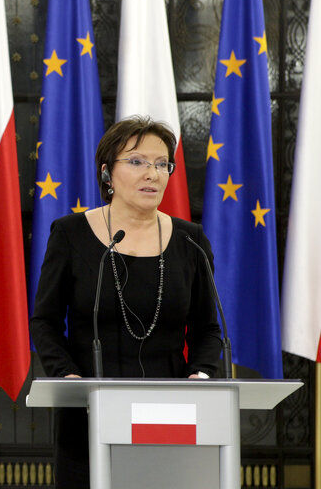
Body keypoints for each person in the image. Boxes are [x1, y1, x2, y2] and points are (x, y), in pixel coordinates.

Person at [29, 116, 222, 488]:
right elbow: (45, 321)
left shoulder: (190, 240)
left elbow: (208, 329)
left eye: (161, 163)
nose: (152, 173)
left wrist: (201, 374)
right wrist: (67, 377)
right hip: (89, 412)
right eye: (136, 162)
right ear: (107, 174)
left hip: (171, 416)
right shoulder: (70, 234)